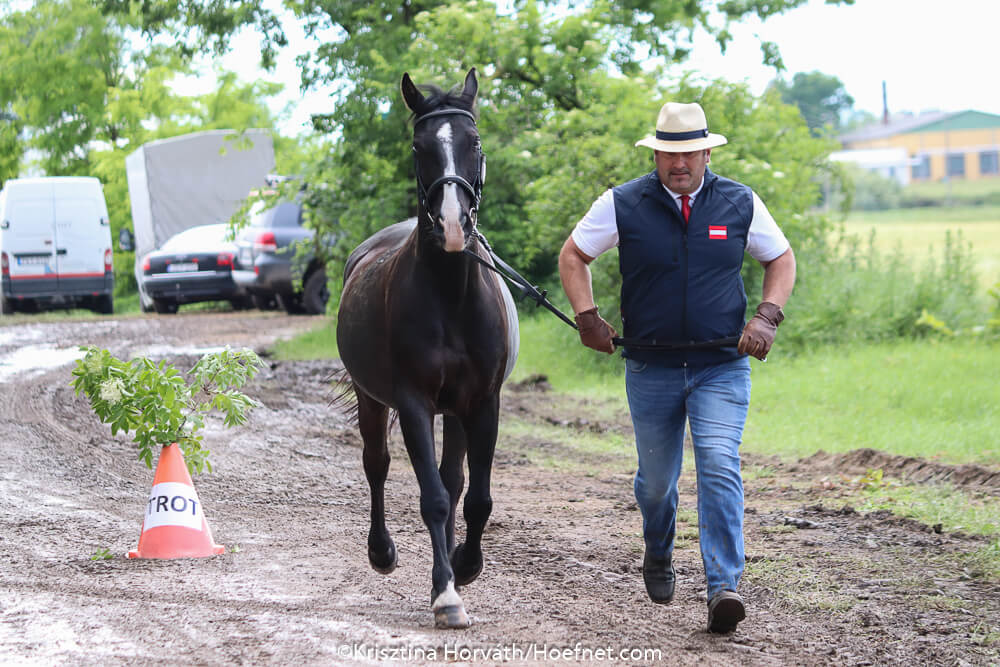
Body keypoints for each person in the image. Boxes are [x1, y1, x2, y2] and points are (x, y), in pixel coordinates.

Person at [558, 101, 796, 634]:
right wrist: (587, 317)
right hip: (652, 368)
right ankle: (658, 546)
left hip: (721, 367)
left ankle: (723, 587)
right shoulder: (623, 203)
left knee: (719, 464)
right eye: (670, 153)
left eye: (690, 153)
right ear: (656, 155)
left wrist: (767, 317)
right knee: (657, 484)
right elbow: (574, 255)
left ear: (708, 154)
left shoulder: (739, 202)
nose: (680, 163)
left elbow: (781, 258)